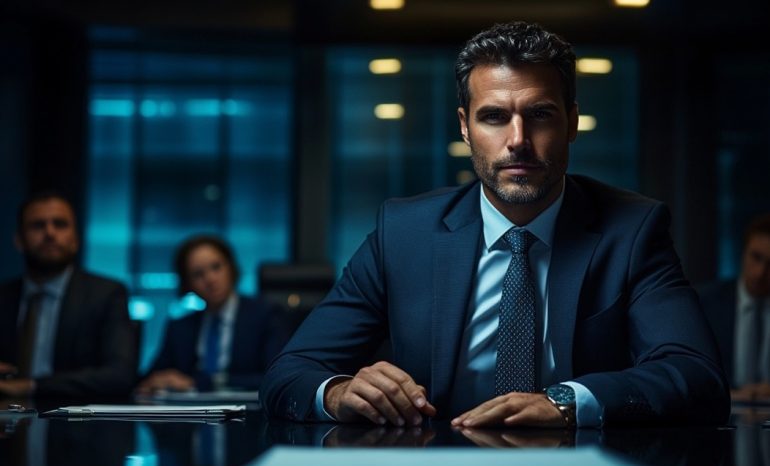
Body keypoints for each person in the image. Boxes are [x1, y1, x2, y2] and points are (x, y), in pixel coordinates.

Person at [261, 21, 729, 428]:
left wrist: (566, 402)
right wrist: (339, 392)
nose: (518, 140)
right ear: (465, 127)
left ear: (571, 122)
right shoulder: (403, 233)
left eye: (540, 114)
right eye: (494, 117)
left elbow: (696, 375)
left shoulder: (632, 230)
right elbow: (290, 373)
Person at [0, 192, 136, 398]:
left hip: (76, 414)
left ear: (76, 239)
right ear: (19, 240)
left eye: (60, 224)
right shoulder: (3, 297)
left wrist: (31, 386)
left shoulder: (106, 294)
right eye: (37, 225)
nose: (50, 233)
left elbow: (119, 376)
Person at [136, 235, 289, 393]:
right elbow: (150, 379)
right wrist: (160, 381)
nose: (210, 279)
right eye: (198, 274)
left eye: (216, 267)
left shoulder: (266, 315)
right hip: (189, 407)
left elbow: (276, 377)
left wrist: (201, 383)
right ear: (187, 284)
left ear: (231, 267)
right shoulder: (179, 327)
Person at [697, 213, 770, 402]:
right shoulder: (704, 303)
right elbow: (691, 373)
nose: (761, 272)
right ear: (743, 253)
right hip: (720, 409)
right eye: (756, 257)